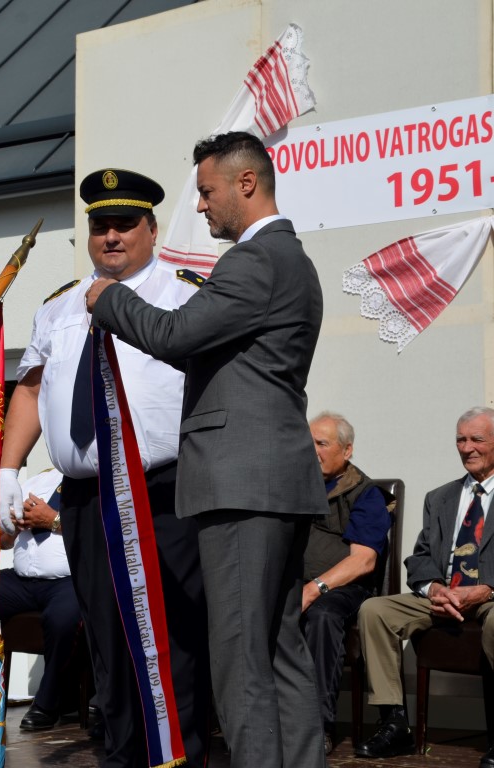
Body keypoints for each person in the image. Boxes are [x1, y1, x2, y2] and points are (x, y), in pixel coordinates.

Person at [86, 132, 327, 768]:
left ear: (246, 183)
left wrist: (111, 299)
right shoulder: (293, 259)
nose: (200, 206)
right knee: (278, 650)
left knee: (240, 656)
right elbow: (215, 351)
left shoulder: (254, 260)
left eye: (206, 191)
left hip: (242, 482)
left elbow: (177, 333)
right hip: (274, 478)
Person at [0, 168, 210, 767]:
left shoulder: (187, 295)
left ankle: (177, 756)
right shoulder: (58, 306)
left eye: (125, 224)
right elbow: (30, 387)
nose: (111, 236)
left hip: (162, 492)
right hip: (87, 496)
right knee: (107, 636)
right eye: (100, 226)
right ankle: (123, 755)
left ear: (152, 230)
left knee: (173, 632)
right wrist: (7, 470)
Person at [355, 406, 494, 765]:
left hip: (490, 596)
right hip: (445, 593)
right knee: (375, 610)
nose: (467, 448)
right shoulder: (440, 497)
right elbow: (420, 556)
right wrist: (434, 588)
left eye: (476, 439)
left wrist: (487, 589)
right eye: (460, 440)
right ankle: (394, 725)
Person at [304, 411, 394, 754]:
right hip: (296, 583)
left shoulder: (365, 493)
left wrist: (314, 588)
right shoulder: (295, 487)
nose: (312, 450)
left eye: (321, 443)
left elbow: (363, 560)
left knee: (323, 615)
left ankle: (318, 728)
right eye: (309, 442)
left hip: (343, 589)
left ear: (347, 450)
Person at [0, 467, 84, 731]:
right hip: (22, 580)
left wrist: (52, 520)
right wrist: (12, 526)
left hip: (69, 580)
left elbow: (100, 531)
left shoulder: (91, 479)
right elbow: (4, 542)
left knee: (62, 619)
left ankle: (47, 703)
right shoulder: (34, 481)